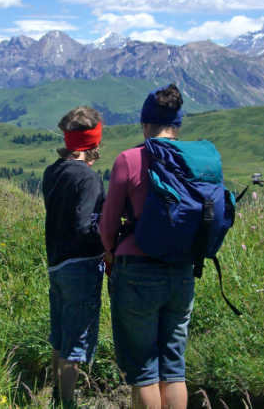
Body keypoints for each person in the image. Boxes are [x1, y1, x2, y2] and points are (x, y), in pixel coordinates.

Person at [100, 84, 192, 409]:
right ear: (177, 125)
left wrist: (110, 252)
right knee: (174, 367)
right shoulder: (195, 161)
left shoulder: (129, 160)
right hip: (182, 271)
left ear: (144, 124)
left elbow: (108, 225)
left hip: (136, 272)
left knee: (144, 370)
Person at [41, 106, 106, 407]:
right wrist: (105, 239)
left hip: (56, 262)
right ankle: (68, 401)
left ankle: (57, 395)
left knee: (60, 334)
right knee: (77, 340)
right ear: (92, 144)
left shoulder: (52, 171)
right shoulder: (88, 179)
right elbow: (84, 225)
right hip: (81, 265)